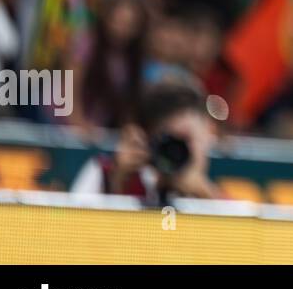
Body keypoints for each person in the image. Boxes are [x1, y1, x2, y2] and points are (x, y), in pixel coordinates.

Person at [70, 81, 219, 206]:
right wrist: (116, 182)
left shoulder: (227, 202)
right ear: (148, 142)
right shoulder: (103, 173)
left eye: (186, 139)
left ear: (209, 134)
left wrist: (208, 199)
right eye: (169, 141)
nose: (176, 150)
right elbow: (74, 230)